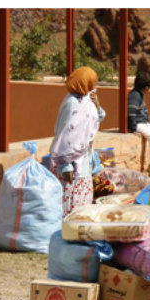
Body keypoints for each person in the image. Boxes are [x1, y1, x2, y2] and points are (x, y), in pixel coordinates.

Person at [50, 66, 105, 215]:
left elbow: (97, 118)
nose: (95, 86)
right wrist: (65, 165)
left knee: (82, 206)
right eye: (93, 83)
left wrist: (97, 105)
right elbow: (65, 135)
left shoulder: (86, 100)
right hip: (70, 165)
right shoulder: (72, 103)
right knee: (69, 206)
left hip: (84, 161)